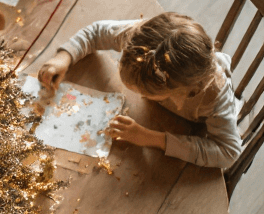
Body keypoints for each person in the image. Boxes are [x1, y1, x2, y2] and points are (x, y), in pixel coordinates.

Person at [37, 11, 242, 170]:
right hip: (155, 113)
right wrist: (64, 57)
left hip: (188, 129)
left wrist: (151, 138)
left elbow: (229, 152)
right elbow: (97, 31)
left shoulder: (213, 97)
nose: (140, 95)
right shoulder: (140, 43)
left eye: (145, 92)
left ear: (183, 93)